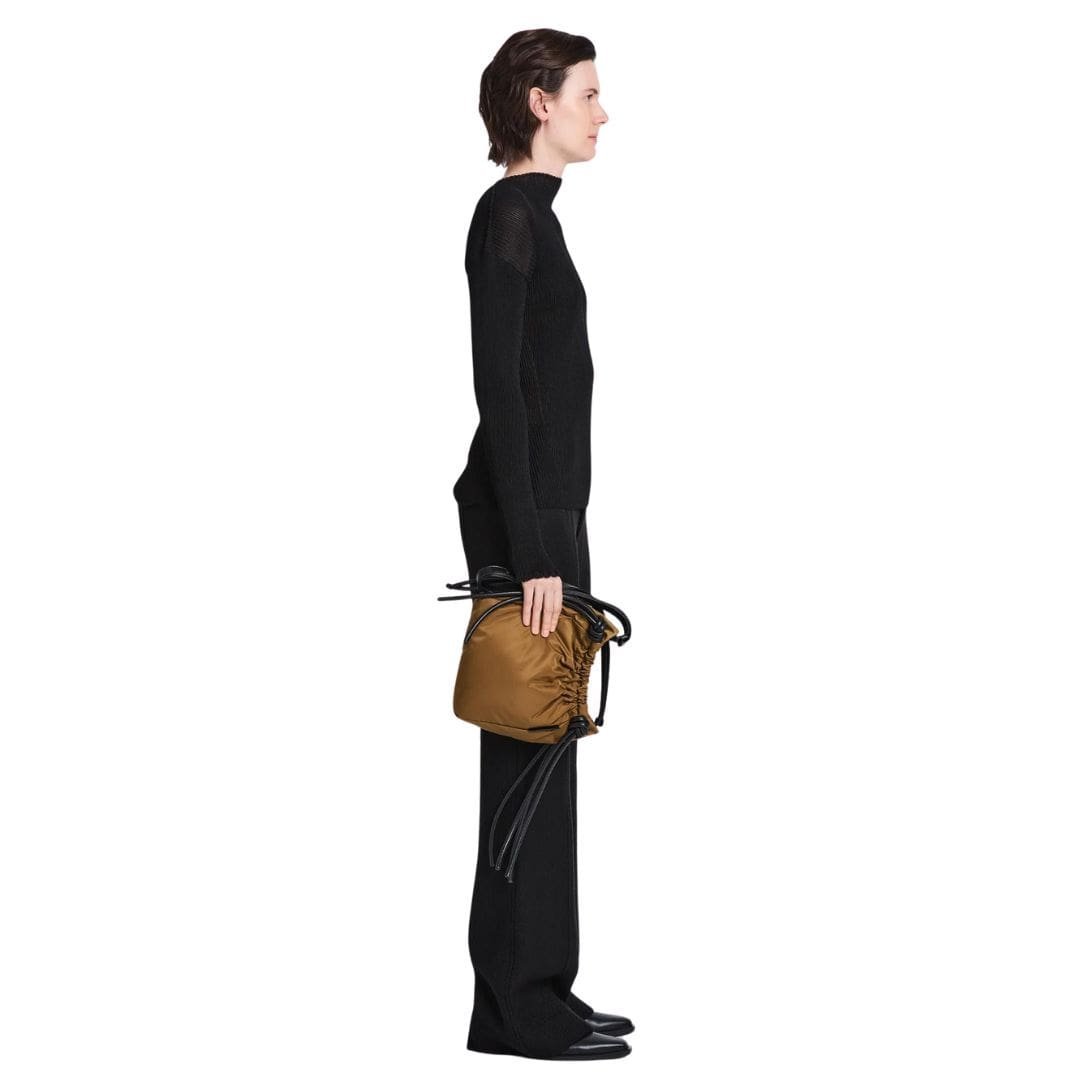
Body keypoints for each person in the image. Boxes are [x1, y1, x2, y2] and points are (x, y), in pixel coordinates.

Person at [451, 29, 633, 1062]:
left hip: (553, 520)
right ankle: (518, 1007)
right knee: (524, 762)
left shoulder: (538, 220)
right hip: (531, 529)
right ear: (538, 102)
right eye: (588, 94)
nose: (601, 113)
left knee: (549, 752)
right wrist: (532, 554)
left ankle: (538, 991)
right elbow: (501, 397)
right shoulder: (509, 218)